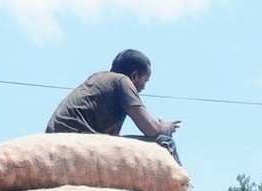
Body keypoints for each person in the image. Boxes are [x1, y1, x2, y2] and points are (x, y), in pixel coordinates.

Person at [46, 49, 182, 164]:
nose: (144, 87)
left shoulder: (99, 79)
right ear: (134, 76)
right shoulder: (122, 81)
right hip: (79, 140)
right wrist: (165, 127)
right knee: (165, 142)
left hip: (59, 138)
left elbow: (113, 137)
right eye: (145, 80)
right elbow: (151, 129)